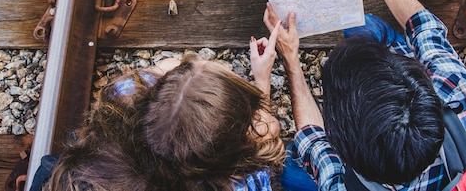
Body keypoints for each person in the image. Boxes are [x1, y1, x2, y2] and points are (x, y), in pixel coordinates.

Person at [264, 0, 466, 191]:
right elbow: (424, 26)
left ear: (348, 147)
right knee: (363, 26)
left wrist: (291, 59)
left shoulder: (340, 185)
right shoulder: (457, 92)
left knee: (286, 169)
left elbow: (312, 137)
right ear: (421, 88)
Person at [31, 22, 286, 191]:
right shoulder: (246, 183)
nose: (174, 62)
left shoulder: (121, 101)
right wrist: (262, 81)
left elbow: (165, 65)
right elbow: (264, 134)